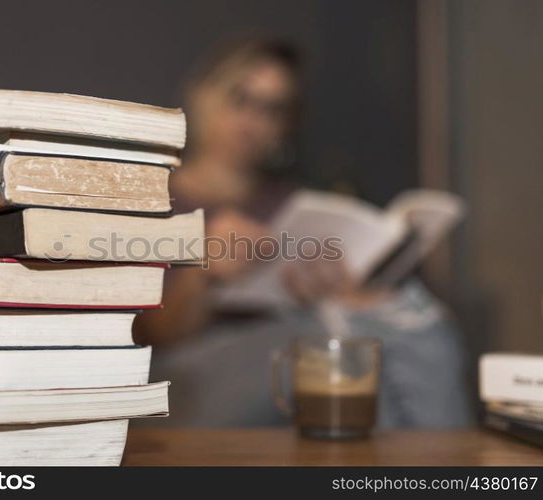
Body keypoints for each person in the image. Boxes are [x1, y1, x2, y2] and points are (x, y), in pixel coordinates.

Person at [134, 38, 472, 428]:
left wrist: (344, 294)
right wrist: (203, 271)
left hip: (287, 360)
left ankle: (433, 463)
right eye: (239, 98)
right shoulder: (155, 200)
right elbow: (149, 335)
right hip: (189, 377)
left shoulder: (296, 205)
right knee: (334, 343)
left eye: (272, 109)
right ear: (201, 95)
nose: (251, 121)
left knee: (417, 318)